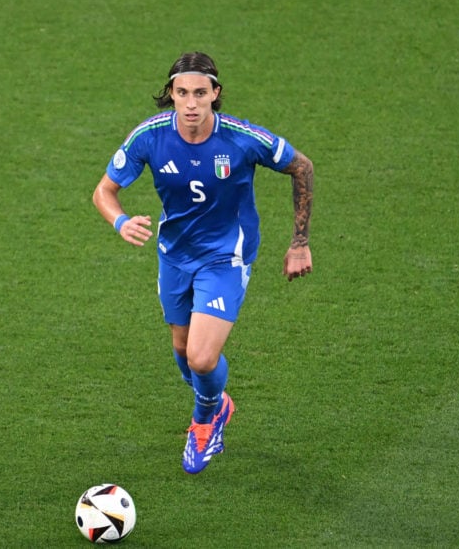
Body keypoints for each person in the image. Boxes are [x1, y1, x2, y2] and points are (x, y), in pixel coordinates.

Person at [92, 51, 314, 474]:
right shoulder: (149, 137)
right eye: (182, 93)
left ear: (215, 94)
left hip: (225, 256)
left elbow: (301, 167)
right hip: (174, 255)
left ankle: (204, 422)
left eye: (200, 93)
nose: (191, 103)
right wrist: (119, 221)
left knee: (201, 358)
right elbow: (104, 191)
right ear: (170, 96)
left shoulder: (242, 138)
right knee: (181, 350)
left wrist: (299, 242)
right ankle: (217, 400)